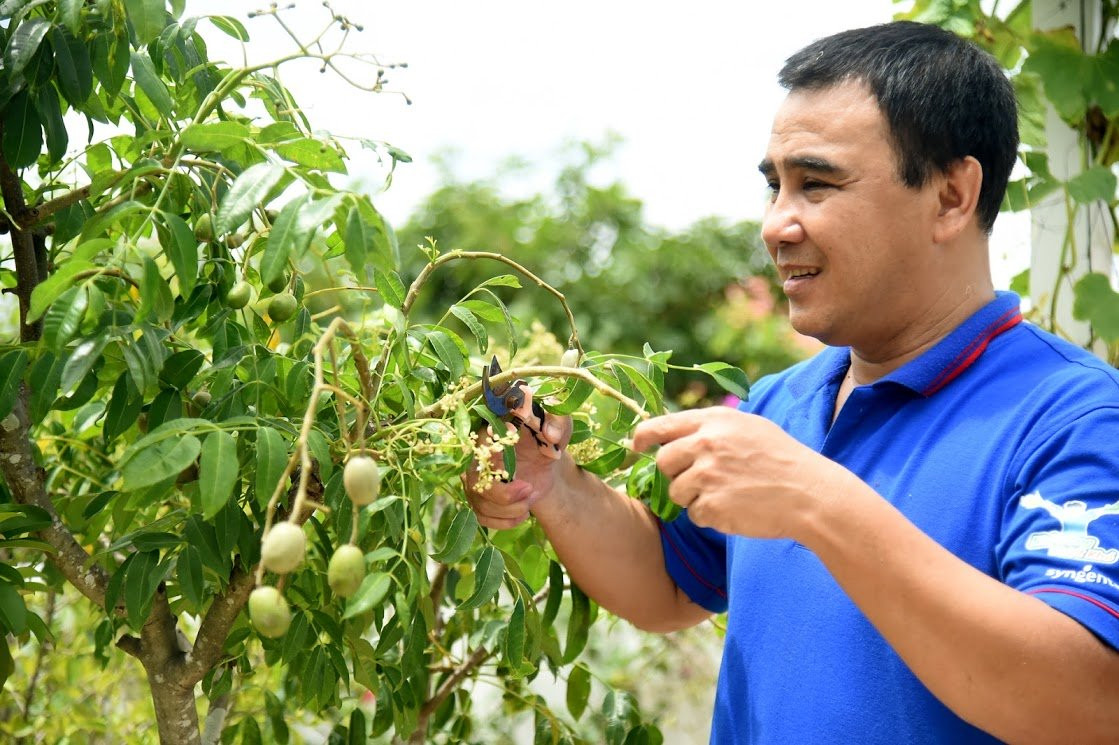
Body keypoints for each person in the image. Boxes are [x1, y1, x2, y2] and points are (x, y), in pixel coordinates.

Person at [466, 20, 1119, 744]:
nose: (776, 224)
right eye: (775, 186)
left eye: (817, 184)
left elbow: (1089, 702)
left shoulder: (1075, 417)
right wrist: (553, 483)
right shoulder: (782, 403)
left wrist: (816, 500)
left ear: (950, 197)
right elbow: (672, 584)